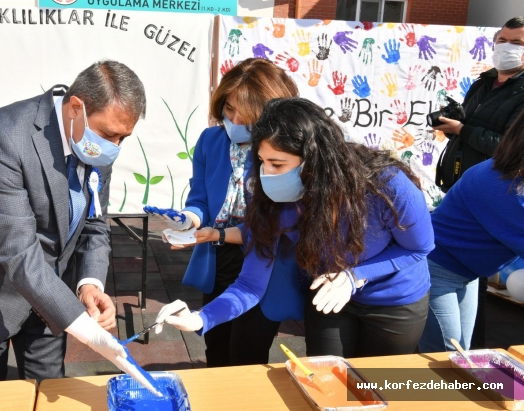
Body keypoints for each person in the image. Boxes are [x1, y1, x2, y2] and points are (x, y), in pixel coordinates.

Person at [0, 61, 155, 390]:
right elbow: (15, 248)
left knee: (48, 390)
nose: (114, 146)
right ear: (77, 108)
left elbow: (95, 224)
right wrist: (88, 332)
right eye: (108, 135)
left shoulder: (95, 149)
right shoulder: (3, 136)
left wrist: (90, 283)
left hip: (50, 300)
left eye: (123, 137)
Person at [155, 98, 434, 359]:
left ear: (314, 159)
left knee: (379, 387)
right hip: (327, 297)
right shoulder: (273, 200)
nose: (267, 174)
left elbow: (419, 248)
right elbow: (251, 284)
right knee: (329, 381)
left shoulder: (386, 185)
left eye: (277, 164)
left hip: (395, 300)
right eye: (262, 162)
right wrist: (199, 318)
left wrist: (355, 276)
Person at [146, 58, 300, 367]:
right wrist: (188, 220)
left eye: (246, 113)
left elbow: (278, 222)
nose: (235, 119)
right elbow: (200, 197)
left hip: (263, 254)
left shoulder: (279, 150)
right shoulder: (210, 140)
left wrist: (215, 233)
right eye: (229, 109)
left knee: (247, 350)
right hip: (218, 254)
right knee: (215, 342)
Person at [434, 17, 524, 348]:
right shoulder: (504, 187)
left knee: (462, 354)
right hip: (441, 267)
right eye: (502, 40)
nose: (506, 47)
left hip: (466, 269)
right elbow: (502, 145)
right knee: (446, 361)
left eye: (516, 42)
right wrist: (458, 125)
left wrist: (465, 130)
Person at [419, 111, 524, 352]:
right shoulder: (499, 184)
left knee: (460, 357)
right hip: (436, 271)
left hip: (468, 274)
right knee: (447, 359)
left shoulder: (503, 173)